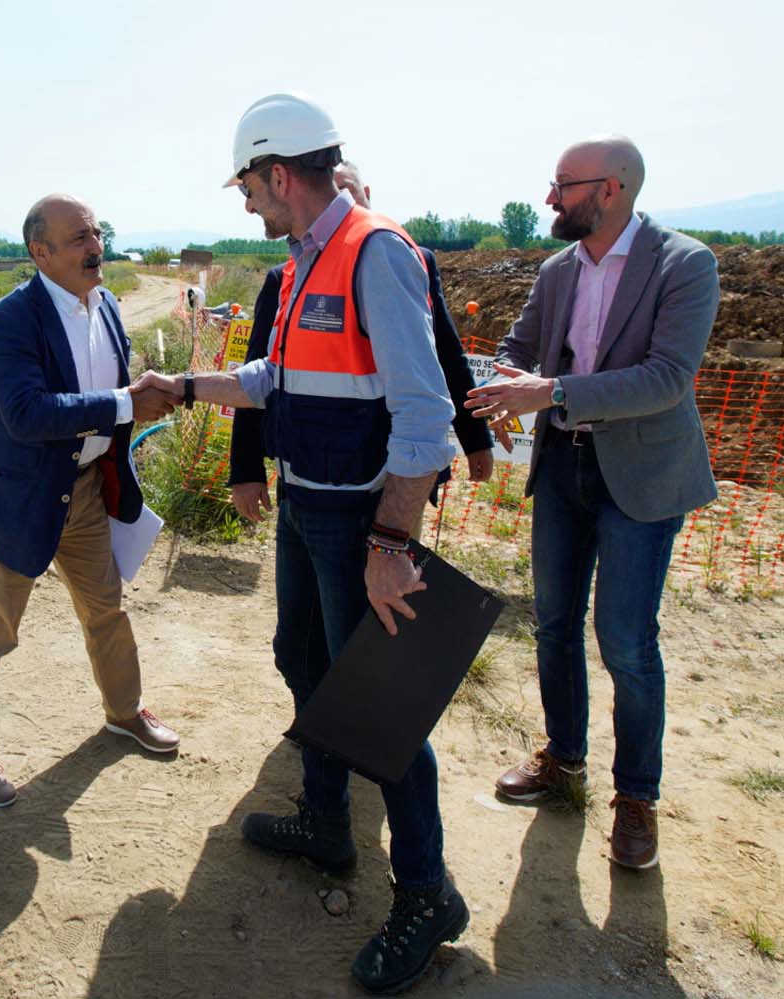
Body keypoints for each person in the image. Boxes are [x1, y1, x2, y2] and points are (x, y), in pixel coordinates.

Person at [137, 93, 465, 994]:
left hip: (360, 522)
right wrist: (188, 384)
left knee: (383, 712)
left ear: (279, 173)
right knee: (304, 661)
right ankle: (327, 820)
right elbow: (274, 379)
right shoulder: (306, 260)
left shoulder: (376, 253)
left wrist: (392, 537)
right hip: (306, 506)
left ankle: (428, 893)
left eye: (247, 183)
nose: (244, 201)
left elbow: (428, 414)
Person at [466, 135, 719, 870]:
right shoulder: (556, 271)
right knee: (553, 624)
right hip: (564, 470)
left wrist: (549, 392)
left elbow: (665, 378)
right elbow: (522, 346)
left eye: (562, 185)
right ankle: (564, 760)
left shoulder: (685, 264)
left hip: (639, 478)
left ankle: (636, 797)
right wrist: (490, 380)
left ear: (609, 190)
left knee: (627, 643)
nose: (549, 197)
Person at [0, 193, 181, 809]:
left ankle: (123, 712)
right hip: (25, 499)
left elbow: (108, 398)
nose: (94, 246)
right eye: (78, 238)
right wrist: (127, 402)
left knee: (107, 610)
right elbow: (25, 413)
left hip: (88, 493)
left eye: (96, 233)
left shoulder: (106, 308)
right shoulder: (10, 320)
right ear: (39, 251)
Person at [229, 160, 494, 531]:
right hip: (320, 468)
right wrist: (245, 467)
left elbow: (445, 355)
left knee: (389, 571)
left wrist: (475, 436)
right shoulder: (287, 277)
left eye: (344, 195)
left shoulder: (408, 259)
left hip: (397, 475)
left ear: (365, 197)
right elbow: (262, 374)